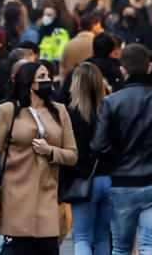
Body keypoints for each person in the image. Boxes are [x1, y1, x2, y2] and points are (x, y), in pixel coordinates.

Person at [91, 44, 152, 255]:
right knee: (148, 244)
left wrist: (116, 157)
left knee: (121, 247)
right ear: (149, 66)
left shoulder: (111, 102)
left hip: (123, 180)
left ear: (123, 69)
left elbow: (98, 145)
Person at [0, 62, 77, 254]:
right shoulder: (9, 110)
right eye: (41, 77)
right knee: (17, 248)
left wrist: (50, 151)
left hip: (48, 194)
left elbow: (72, 155)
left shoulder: (59, 111)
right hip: (15, 193)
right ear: (28, 82)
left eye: (48, 76)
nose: (47, 81)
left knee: (48, 247)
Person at [61, 62, 111, 255]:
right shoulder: (110, 110)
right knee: (103, 236)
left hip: (81, 180)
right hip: (108, 178)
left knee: (82, 237)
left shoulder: (70, 114)